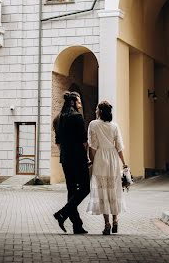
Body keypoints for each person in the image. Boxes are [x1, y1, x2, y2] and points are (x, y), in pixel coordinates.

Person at [86, 100, 127, 235]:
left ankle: (107, 224)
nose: (95, 111)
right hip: (113, 158)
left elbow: (92, 145)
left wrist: (92, 161)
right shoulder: (114, 126)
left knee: (102, 190)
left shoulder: (93, 124)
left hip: (100, 158)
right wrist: (124, 163)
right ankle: (115, 221)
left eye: (97, 109)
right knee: (113, 189)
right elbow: (119, 146)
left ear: (100, 111)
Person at [52, 91, 90, 234]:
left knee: (72, 190)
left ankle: (77, 225)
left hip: (66, 159)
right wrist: (86, 157)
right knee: (85, 188)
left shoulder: (58, 119)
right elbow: (84, 141)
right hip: (78, 158)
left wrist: (65, 153)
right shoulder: (77, 117)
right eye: (79, 102)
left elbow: (58, 142)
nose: (80, 104)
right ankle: (62, 213)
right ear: (73, 102)